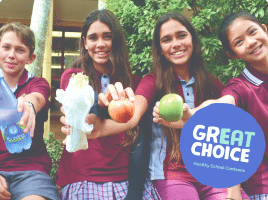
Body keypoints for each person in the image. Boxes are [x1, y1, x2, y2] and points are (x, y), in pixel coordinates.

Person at [70, 11, 249, 199]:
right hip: (172, 176)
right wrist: (100, 129)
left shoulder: (212, 84)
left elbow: (229, 133)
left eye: (181, 35)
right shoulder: (152, 82)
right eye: (166, 39)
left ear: (193, 40)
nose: (176, 44)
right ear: (160, 49)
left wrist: (233, 188)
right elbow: (133, 115)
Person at [153, 10, 268, 200]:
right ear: (232, 54)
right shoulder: (239, 87)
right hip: (262, 185)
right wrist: (191, 114)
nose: (250, 42)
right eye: (239, 42)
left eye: (253, 32)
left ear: (264, 29)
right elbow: (221, 105)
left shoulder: (211, 82)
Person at [55, 9, 159, 200]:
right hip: (83, 178)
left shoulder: (137, 84)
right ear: (85, 42)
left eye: (107, 37)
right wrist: (102, 104)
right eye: (93, 38)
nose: (100, 44)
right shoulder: (73, 77)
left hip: (130, 182)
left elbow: (141, 135)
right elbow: (86, 104)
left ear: (116, 40)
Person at [0, 23, 60, 200]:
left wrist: (28, 104)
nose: (11, 55)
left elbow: (38, 97)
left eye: (20, 50)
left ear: (30, 57)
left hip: (31, 171)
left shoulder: (38, 83)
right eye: (6, 47)